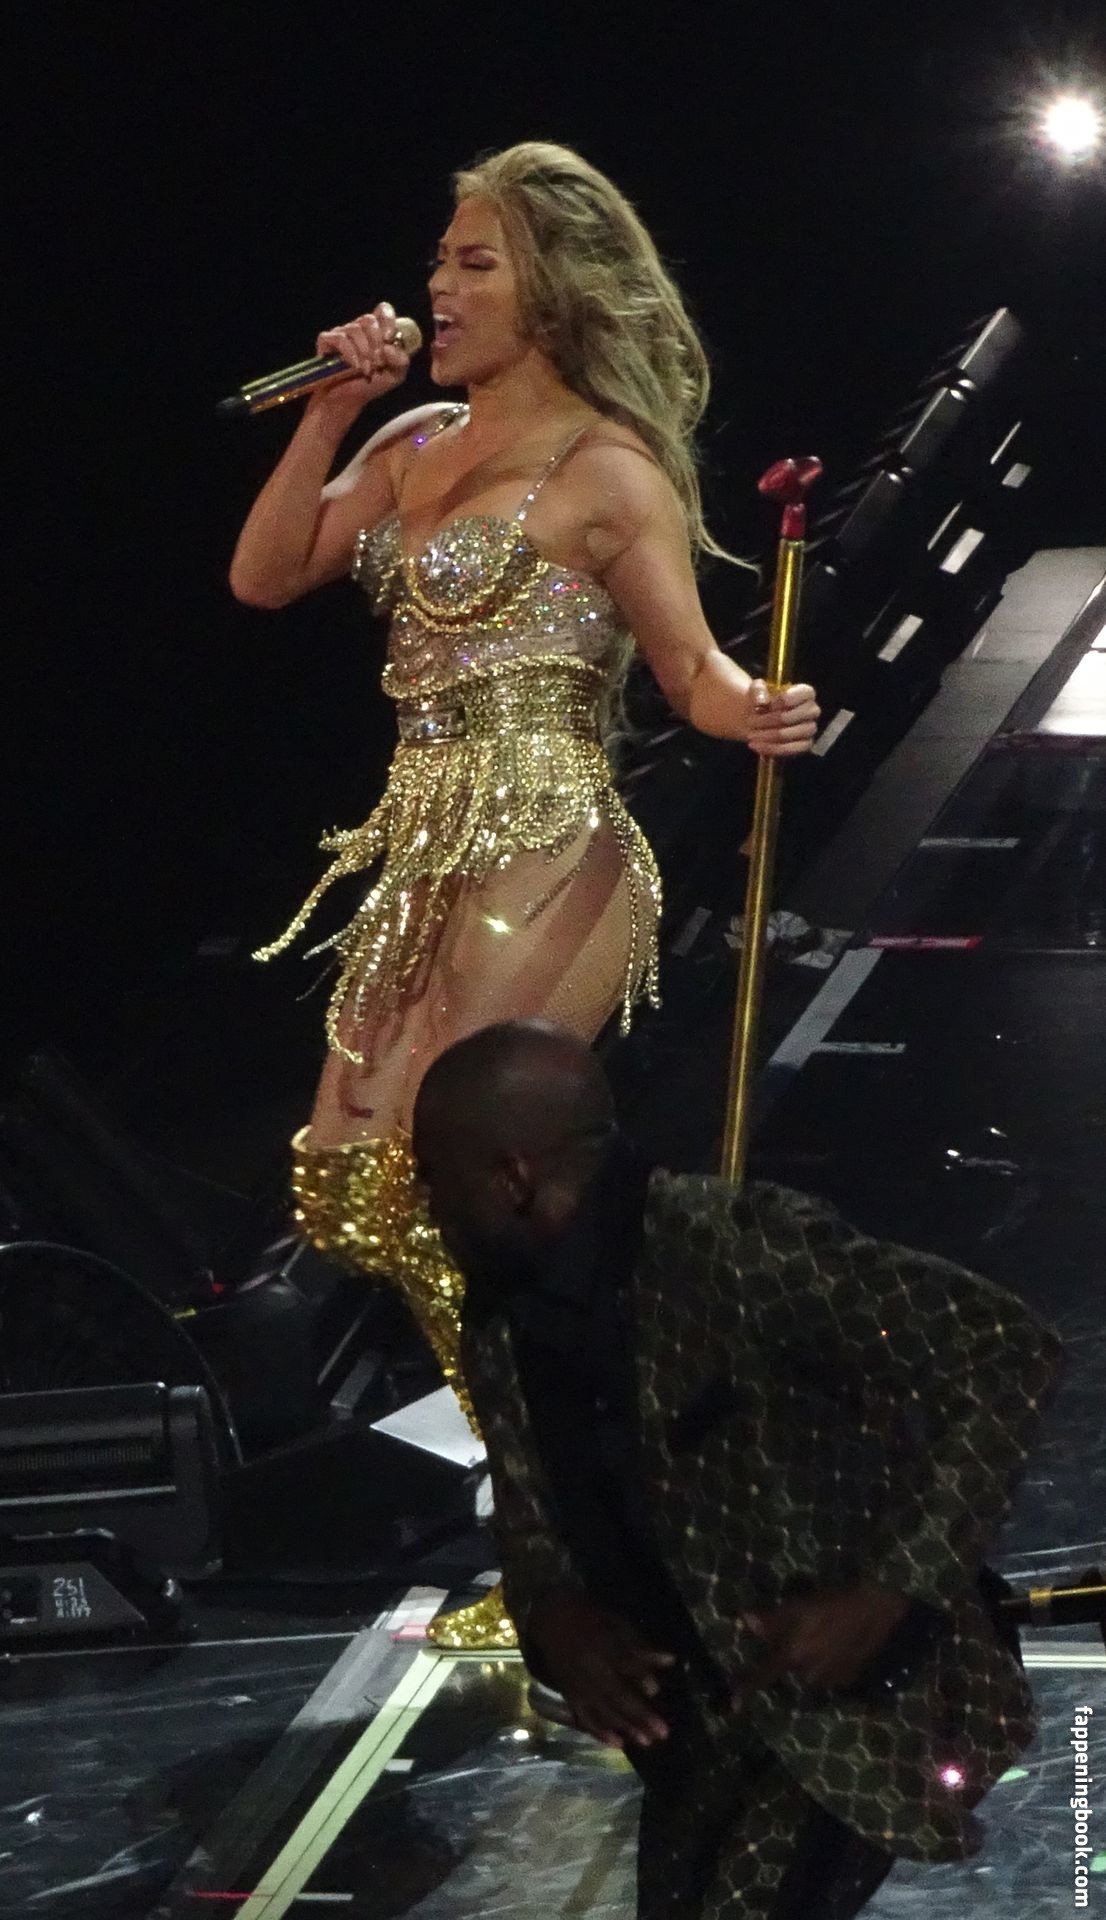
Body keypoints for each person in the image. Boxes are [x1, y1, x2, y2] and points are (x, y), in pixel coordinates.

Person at [229, 142, 820, 1646]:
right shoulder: (414, 439)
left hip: (548, 842)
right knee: (348, 1183)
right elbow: (267, 574)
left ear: (550, 290)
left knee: (475, 1185)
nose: (437, 284)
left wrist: (755, 705)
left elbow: (687, 668)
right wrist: (330, 410)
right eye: (440, 259)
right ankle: (589, 1464)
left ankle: (559, 1534)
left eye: (472, 261)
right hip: (422, 842)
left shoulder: (606, 471)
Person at [410, 1020, 1064, 1919]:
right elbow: (530, 1522)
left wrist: (889, 1592)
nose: (423, 1203)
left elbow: (1008, 1349)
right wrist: (554, 1618)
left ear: (513, 1176)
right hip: (696, 1741)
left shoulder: (738, 1249)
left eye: (433, 1174)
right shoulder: (500, 1320)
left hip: (847, 1716)